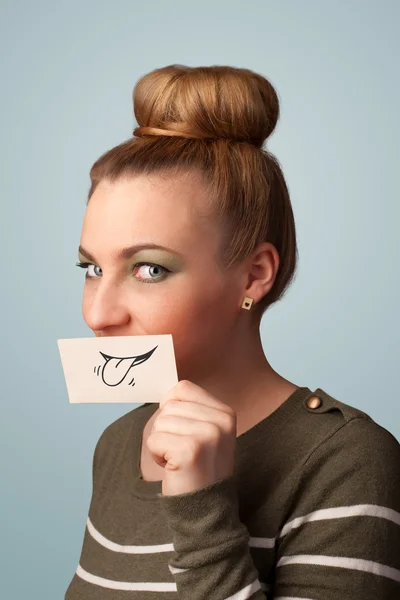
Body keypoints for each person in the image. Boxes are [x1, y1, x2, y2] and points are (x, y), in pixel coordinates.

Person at [65, 64, 400, 599]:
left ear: (254, 274)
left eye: (150, 268)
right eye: (92, 269)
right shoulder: (118, 444)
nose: (98, 314)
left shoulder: (346, 460)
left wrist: (202, 508)